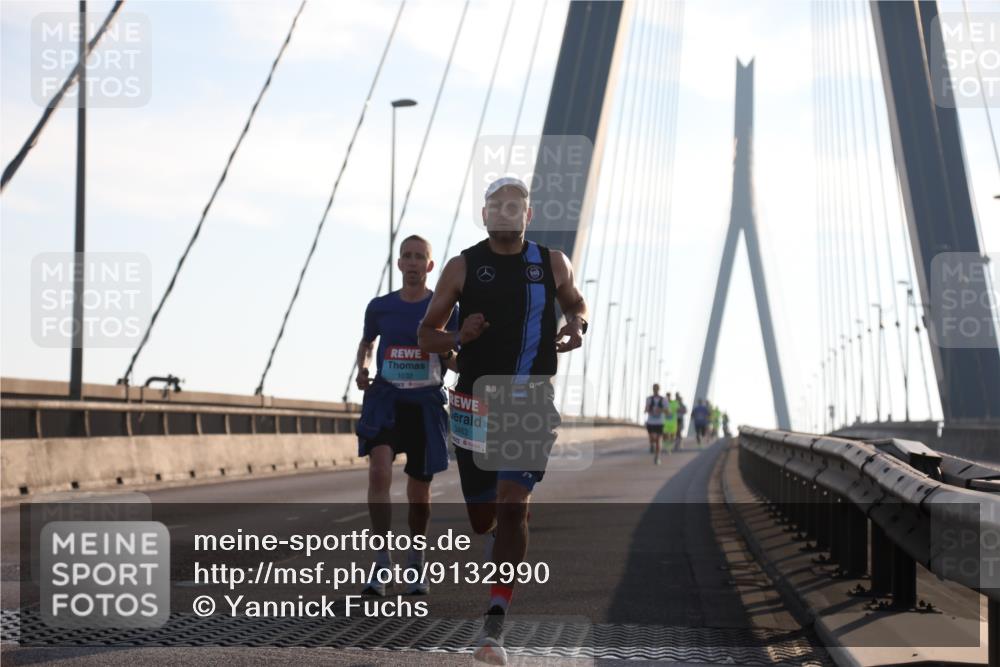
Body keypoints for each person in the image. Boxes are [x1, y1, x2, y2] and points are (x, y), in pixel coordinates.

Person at [418, 175, 588, 665]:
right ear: (486, 214)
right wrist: (457, 334)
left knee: (514, 505)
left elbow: (575, 302)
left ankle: (494, 627)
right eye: (498, 204)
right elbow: (426, 335)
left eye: (517, 204)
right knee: (483, 517)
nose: (507, 211)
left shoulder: (551, 262)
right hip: (474, 403)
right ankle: (500, 540)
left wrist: (577, 323)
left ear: (528, 215)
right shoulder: (462, 266)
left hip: (531, 400)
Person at [355, 235, 459, 596]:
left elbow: (457, 358)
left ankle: (416, 559)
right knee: (379, 470)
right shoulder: (380, 307)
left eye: (420, 258)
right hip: (385, 398)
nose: (413, 263)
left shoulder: (444, 307)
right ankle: (382, 562)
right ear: (398, 264)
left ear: (430, 266)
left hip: (426, 402)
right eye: (407, 256)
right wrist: (363, 368)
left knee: (419, 492)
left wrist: (448, 355)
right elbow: (367, 342)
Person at [644, 384, 667, 463]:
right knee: (652, 438)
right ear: (653, 389)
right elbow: (646, 409)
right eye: (654, 388)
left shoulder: (663, 399)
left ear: (659, 389)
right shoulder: (649, 399)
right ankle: (651, 445)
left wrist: (660, 410)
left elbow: (667, 411)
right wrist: (648, 410)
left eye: (657, 388)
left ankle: (657, 457)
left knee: (658, 440)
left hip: (660, 422)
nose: (655, 390)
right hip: (651, 422)